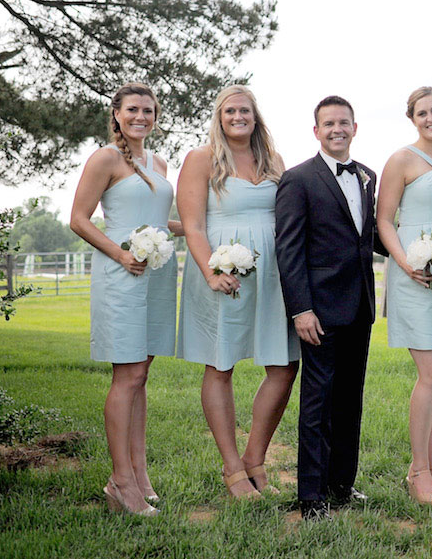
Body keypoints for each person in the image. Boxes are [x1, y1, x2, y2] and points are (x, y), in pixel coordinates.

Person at [177, 84, 298, 500]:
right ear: (219, 116)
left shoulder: (274, 160)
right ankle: (232, 469)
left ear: (255, 115)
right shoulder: (201, 159)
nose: (237, 117)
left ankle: (254, 460)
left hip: (274, 274)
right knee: (220, 364)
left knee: (284, 366)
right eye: (229, 111)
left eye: (244, 110)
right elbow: (192, 224)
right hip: (223, 271)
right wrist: (212, 272)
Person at [70, 82, 182, 516]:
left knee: (142, 376)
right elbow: (79, 219)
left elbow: (156, 219)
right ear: (116, 113)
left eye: (149, 110)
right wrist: (120, 253)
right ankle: (120, 483)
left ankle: (139, 472)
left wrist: (198, 229)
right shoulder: (106, 158)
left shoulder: (159, 162)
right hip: (121, 272)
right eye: (132, 109)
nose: (141, 117)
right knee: (128, 375)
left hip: (157, 273)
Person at [275, 96, 384, 522]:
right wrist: (301, 309)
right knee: (317, 402)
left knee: (349, 399)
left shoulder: (367, 176)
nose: (337, 129)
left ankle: (341, 485)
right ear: (316, 131)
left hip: (360, 306)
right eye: (328, 123)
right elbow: (289, 248)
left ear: (355, 128)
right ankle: (311, 495)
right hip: (318, 309)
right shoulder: (298, 179)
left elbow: (369, 237)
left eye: (344, 122)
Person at [377, 87, 432, 505]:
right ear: (412, 118)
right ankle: (417, 471)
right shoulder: (401, 160)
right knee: (430, 373)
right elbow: (384, 220)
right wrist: (405, 263)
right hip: (416, 274)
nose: (430, 118)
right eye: (422, 113)